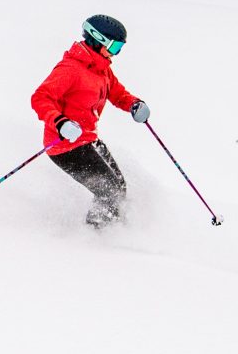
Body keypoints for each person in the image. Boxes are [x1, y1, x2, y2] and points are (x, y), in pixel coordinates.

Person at [30, 14, 149, 227]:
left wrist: (133, 104)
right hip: (65, 147)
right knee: (109, 191)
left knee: (119, 186)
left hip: (88, 139)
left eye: (120, 48)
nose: (117, 53)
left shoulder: (101, 68)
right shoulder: (70, 69)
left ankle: (114, 227)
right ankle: (97, 238)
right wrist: (60, 123)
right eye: (114, 47)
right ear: (98, 39)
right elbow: (41, 98)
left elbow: (117, 93)